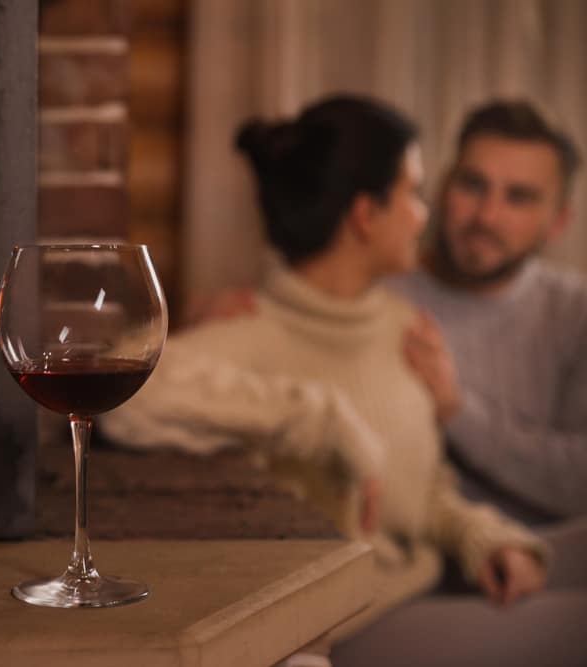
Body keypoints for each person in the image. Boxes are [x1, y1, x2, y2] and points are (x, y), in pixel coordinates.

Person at [98, 95, 549, 627]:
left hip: (417, 590)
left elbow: (420, 488)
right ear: (366, 215)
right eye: (414, 193)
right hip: (339, 625)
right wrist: (318, 418)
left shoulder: (405, 330)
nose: (423, 215)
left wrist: (484, 538)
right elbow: (118, 394)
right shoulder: (244, 331)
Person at [389, 101, 587, 540]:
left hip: (552, 565)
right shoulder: (381, 294)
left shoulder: (575, 312)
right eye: (472, 185)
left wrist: (456, 410)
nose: (486, 216)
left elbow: (580, 482)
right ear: (443, 186)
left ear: (558, 221)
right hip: (421, 573)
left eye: (519, 197)